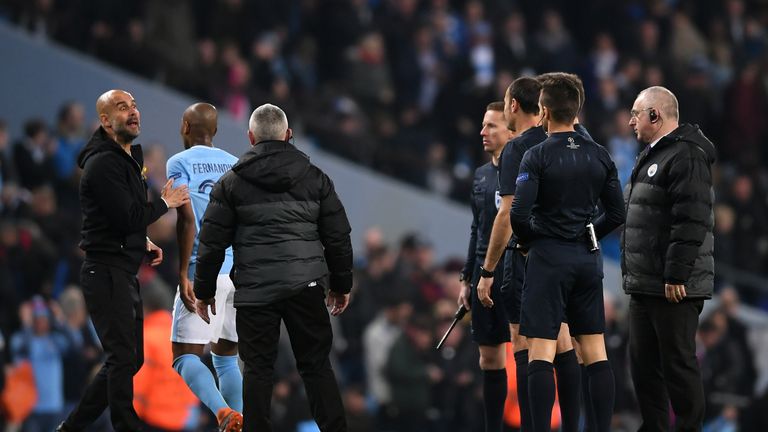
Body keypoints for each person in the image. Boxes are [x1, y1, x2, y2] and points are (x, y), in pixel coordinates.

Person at [193, 103, 353, 431]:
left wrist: (203, 291)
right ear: (289, 135)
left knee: (257, 370)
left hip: (255, 290)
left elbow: (211, 243)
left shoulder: (231, 183)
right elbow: (337, 236)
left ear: (251, 137)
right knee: (316, 367)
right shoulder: (316, 178)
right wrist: (341, 283)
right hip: (306, 284)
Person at [57, 89, 189, 432]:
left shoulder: (126, 159)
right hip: (106, 272)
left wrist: (140, 241)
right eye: (121, 107)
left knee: (131, 358)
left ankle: (71, 428)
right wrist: (165, 203)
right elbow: (129, 215)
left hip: (122, 269)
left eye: (133, 106)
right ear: (105, 121)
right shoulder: (103, 164)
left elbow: (116, 219)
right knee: (122, 358)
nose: (133, 112)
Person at [510, 76, 625, 432]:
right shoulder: (600, 154)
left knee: (542, 350)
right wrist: (588, 233)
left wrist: (534, 241)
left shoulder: (537, 154)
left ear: (543, 111)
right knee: (594, 351)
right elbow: (618, 213)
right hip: (587, 261)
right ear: (577, 111)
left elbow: (518, 215)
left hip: (549, 260)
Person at [479, 76, 581, 432]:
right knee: (565, 341)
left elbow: (508, 214)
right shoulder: (568, 142)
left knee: (525, 343)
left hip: (526, 256)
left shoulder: (519, 148)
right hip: (569, 256)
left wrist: (486, 270)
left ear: (513, 106)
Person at [623, 86, 716, 431]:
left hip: (673, 285)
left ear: (655, 115)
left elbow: (691, 217)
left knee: (677, 364)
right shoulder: (652, 155)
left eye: (636, 113)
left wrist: (676, 274)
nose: (630, 120)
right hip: (646, 282)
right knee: (642, 367)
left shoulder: (686, 155)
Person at [166, 103, 243, 431]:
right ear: (214, 131)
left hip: (203, 271)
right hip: (237, 273)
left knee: (184, 356)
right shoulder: (236, 165)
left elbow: (185, 217)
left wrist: (184, 272)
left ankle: (223, 413)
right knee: (226, 357)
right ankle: (239, 421)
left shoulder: (178, 162)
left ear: (185, 125)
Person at [457, 101, 514, 432]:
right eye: (483, 125)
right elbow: (477, 229)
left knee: (522, 352)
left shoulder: (525, 170)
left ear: (511, 130)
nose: (483, 132)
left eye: (492, 125)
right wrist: (467, 276)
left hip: (514, 273)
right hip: (482, 277)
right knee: (488, 359)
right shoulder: (480, 176)